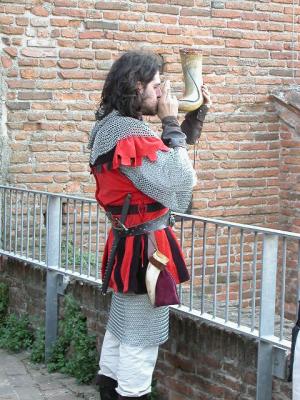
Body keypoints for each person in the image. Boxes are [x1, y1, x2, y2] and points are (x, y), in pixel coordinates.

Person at [88, 51, 210, 400]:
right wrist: (171, 123)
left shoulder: (113, 125)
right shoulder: (129, 133)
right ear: (136, 85)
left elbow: (159, 171)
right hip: (145, 248)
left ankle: (109, 392)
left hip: (131, 240)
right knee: (139, 341)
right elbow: (181, 176)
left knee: (121, 330)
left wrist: (189, 124)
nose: (162, 94)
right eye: (157, 86)